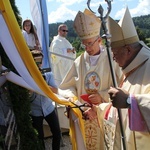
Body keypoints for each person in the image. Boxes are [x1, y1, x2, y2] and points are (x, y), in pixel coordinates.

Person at [58, 9, 122, 150]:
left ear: (99, 40)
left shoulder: (112, 59)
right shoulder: (79, 62)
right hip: (84, 117)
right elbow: (65, 87)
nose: (87, 48)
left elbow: (122, 85)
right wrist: (76, 105)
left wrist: (102, 96)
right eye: (84, 44)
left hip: (105, 116)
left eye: (90, 43)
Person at [106, 7, 150, 150]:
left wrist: (130, 101)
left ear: (128, 50)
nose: (113, 58)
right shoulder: (130, 67)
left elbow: (127, 100)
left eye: (115, 53)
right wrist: (99, 110)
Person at [30, 50, 61, 150]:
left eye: (39, 61)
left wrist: (43, 84)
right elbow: (27, 97)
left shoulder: (48, 74)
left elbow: (55, 90)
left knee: (57, 132)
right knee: (39, 137)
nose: (38, 64)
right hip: (35, 110)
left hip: (48, 108)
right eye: (35, 61)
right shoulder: (28, 77)